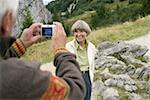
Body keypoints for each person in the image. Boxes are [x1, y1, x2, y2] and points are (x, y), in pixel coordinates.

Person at [0, 0, 85, 99]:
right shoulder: (21, 76)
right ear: (7, 20)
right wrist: (61, 51)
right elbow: (75, 91)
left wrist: (20, 45)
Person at [66, 20, 97, 100]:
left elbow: (92, 65)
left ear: (86, 32)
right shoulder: (68, 47)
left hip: (87, 77)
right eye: (76, 31)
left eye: (82, 31)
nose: (79, 34)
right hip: (75, 78)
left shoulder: (91, 47)